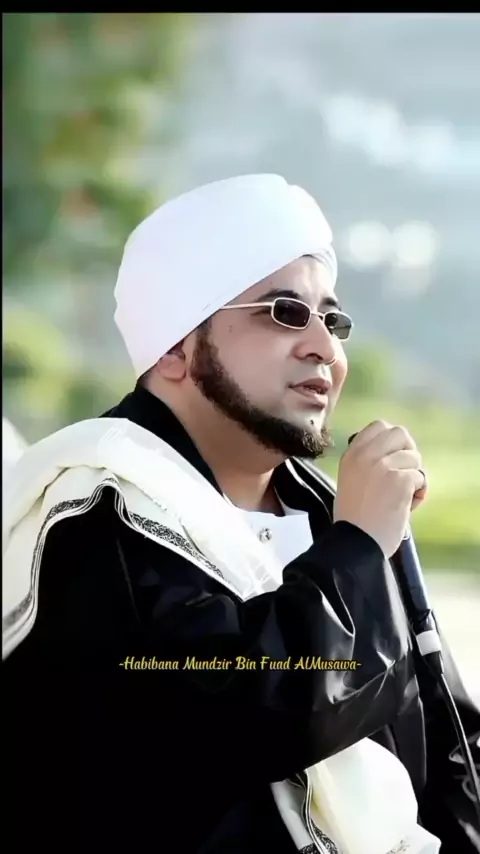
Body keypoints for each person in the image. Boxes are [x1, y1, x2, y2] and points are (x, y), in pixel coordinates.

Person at [3, 174, 479, 854]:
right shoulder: (93, 515)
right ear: (176, 347)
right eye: (284, 312)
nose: (324, 347)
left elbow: (449, 739)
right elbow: (246, 716)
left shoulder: (329, 509)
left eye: (331, 319)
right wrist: (357, 548)